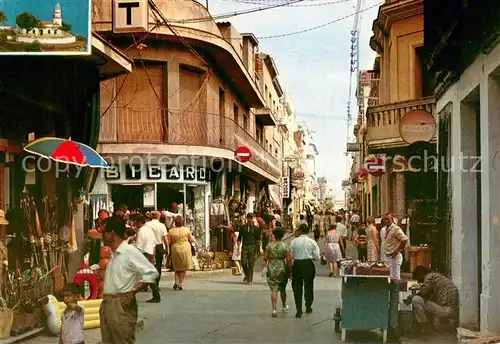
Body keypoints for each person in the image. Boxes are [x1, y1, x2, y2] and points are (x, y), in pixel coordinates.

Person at [100, 215, 158, 343]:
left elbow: (151, 273)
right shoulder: (113, 254)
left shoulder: (130, 252)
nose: (102, 236)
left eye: (104, 232)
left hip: (120, 305)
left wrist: (133, 291)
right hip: (107, 303)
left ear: (112, 233)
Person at [410, 266, 459, 333]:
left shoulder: (429, 277)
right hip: (452, 310)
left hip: (447, 310)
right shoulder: (436, 276)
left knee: (416, 300)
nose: (419, 281)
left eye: (418, 278)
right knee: (424, 300)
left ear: (421, 274)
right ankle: (429, 325)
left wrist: (412, 297)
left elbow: (424, 293)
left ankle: (424, 326)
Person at [289, 223, 320, 318]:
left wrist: (289, 270)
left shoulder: (294, 242)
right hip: (308, 264)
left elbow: (290, 256)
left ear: (300, 231)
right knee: (309, 286)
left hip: (297, 264)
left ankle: (299, 310)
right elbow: (316, 257)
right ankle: (308, 306)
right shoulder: (312, 242)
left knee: (297, 288)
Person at [264, 228, 292, 317]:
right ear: (282, 235)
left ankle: (274, 309)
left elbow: (265, 258)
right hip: (281, 267)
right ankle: (283, 305)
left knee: (273, 289)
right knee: (282, 288)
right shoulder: (285, 246)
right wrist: (290, 270)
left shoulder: (269, 245)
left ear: (274, 235)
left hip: (271, 267)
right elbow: (288, 259)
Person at [134, 214, 160, 301]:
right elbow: (153, 245)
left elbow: (139, 246)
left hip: (144, 254)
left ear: (139, 222)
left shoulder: (141, 231)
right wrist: (153, 256)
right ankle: (156, 295)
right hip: (150, 253)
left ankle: (131, 293)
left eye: (135, 222)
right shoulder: (150, 231)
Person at [167, 215, 196, 290]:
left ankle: (176, 281)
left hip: (175, 248)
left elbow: (169, 241)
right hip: (185, 248)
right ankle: (180, 283)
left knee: (177, 267)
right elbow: (191, 239)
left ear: (175, 223)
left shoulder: (171, 231)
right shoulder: (186, 230)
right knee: (183, 267)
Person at [147, 211, 169, 298]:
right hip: (159, 246)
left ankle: (149, 283)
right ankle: (156, 283)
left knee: (149, 265)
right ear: (159, 217)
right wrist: (167, 249)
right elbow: (165, 238)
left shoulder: (147, 225)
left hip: (149, 245)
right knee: (158, 266)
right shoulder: (162, 226)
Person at [238, 213, 262, 284]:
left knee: (251, 263)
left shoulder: (256, 228)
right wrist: (238, 248)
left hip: (252, 246)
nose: (251, 219)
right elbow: (239, 238)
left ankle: (250, 279)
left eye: (252, 218)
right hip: (245, 246)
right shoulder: (243, 227)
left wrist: (259, 249)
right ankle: (247, 275)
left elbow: (258, 240)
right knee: (244, 262)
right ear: (247, 219)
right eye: (249, 218)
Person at [383, 213, 408, 279]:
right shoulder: (386, 229)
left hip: (394, 257)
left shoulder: (396, 229)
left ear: (392, 219)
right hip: (387, 256)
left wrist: (397, 250)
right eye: (385, 219)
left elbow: (404, 239)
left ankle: (395, 289)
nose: (386, 221)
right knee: (389, 277)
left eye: (388, 219)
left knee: (395, 278)